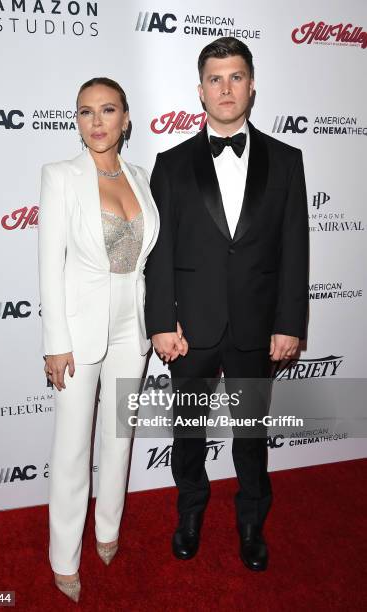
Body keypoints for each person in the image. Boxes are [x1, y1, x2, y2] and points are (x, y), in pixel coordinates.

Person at [145, 37, 309, 571]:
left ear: (252, 84)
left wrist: (288, 322)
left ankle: (250, 526)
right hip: (189, 330)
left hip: (257, 329)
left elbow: (294, 247)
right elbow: (159, 252)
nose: (226, 88)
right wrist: (160, 323)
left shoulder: (287, 161)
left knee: (251, 437)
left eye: (236, 76)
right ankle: (188, 515)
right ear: (200, 90)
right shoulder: (170, 164)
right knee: (188, 435)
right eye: (215, 78)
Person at [38, 77, 159, 602]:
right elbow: (48, 265)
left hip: (132, 326)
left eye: (107, 110)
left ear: (125, 118)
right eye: (86, 111)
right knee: (70, 448)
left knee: (119, 437)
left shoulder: (140, 176)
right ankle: (64, 556)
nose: (97, 121)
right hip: (79, 329)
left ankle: (107, 529)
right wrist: (55, 341)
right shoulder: (60, 176)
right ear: (77, 120)